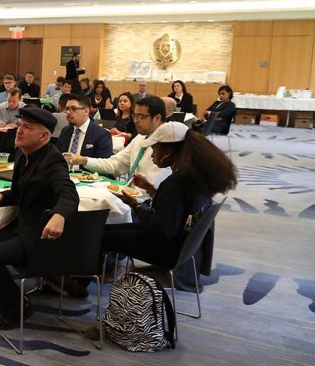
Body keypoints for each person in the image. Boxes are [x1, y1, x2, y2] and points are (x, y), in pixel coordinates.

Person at [0, 107, 78, 330]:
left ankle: (14, 310)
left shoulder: (53, 161)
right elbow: (20, 192)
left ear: (44, 136)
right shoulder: (22, 153)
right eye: (19, 125)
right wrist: (2, 196)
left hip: (38, 236)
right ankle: (16, 299)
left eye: (27, 127)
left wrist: (60, 214)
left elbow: (68, 193)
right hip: (22, 227)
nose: (19, 131)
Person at [101, 121, 237, 274]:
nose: (152, 155)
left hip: (167, 250)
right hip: (183, 245)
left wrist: (136, 206)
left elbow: (161, 230)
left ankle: (85, 278)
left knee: (100, 235)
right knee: (107, 231)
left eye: (154, 150)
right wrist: (151, 190)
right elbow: (174, 208)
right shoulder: (194, 175)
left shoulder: (175, 184)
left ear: (167, 152)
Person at [65, 94, 171, 188]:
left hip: (149, 202)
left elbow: (154, 186)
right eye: (135, 116)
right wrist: (84, 160)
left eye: (140, 116)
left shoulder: (168, 143)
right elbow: (115, 164)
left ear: (157, 118)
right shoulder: (140, 138)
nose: (135, 121)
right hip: (130, 195)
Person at [57, 95, 113, 160]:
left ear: (86, 111)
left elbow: (103, 165)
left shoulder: (102, 135)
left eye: (73, 109)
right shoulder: (65, 131)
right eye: (67, 109)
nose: (68, 112)